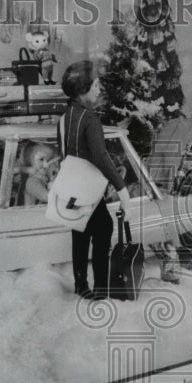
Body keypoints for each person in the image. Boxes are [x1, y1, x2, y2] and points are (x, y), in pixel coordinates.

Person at [60, 60, 131, 299]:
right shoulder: (90, 118)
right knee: (103, 230)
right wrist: (121, 188)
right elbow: (100, 156)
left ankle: (81, 285)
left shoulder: (67, 115)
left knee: (80, 233)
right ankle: (101, 289)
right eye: (97, 85)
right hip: (88, 185)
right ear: (83, 88)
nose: (100, 90)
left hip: (71, 184)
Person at [21, 142, 59, 206]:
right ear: (29, 161)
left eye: (49, 160)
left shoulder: (44, 177)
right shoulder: (32, 181)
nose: (46, 164)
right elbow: (48, 198)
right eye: (41, 159)